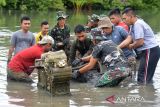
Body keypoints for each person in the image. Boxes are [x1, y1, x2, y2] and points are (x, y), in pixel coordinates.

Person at [122, 8, 160, 84]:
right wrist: (118, 47)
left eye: (125, 18)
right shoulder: (133, 25)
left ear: (131, 16)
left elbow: (140, 42)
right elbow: (130, 38)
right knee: (143, 76)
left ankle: (145, 93)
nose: (123, 21)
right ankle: (148, 92)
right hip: (148, 51)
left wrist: (131, 46)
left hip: (150, 50)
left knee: (143, 77)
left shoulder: (138, 24)